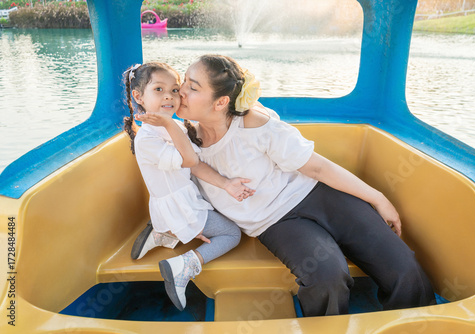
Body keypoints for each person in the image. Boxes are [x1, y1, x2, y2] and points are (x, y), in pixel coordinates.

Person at [174, 54, 436, 316]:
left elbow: (317, 167)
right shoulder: (179, 140)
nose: (180, 90)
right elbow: (170, 187)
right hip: (276, 222)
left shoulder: (255, 124)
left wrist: (378, 198)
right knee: (327, 278)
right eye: (184, 80)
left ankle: (418, 325)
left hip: (319, 194)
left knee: (405, 269)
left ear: (221, 102)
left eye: (192, 86)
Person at [123, 62, 254, 311]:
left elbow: (193, 167)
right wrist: (172, 125)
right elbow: (191, 160)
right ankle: (185, 265)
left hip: (184, 201)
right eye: (159, 90)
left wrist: (226, 184)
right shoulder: (148, 138)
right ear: (139, 96)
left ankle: (162, 233)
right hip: (180, 207)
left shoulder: (173, 128)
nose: (169, 97)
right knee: (231, 234)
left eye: (174, 90)